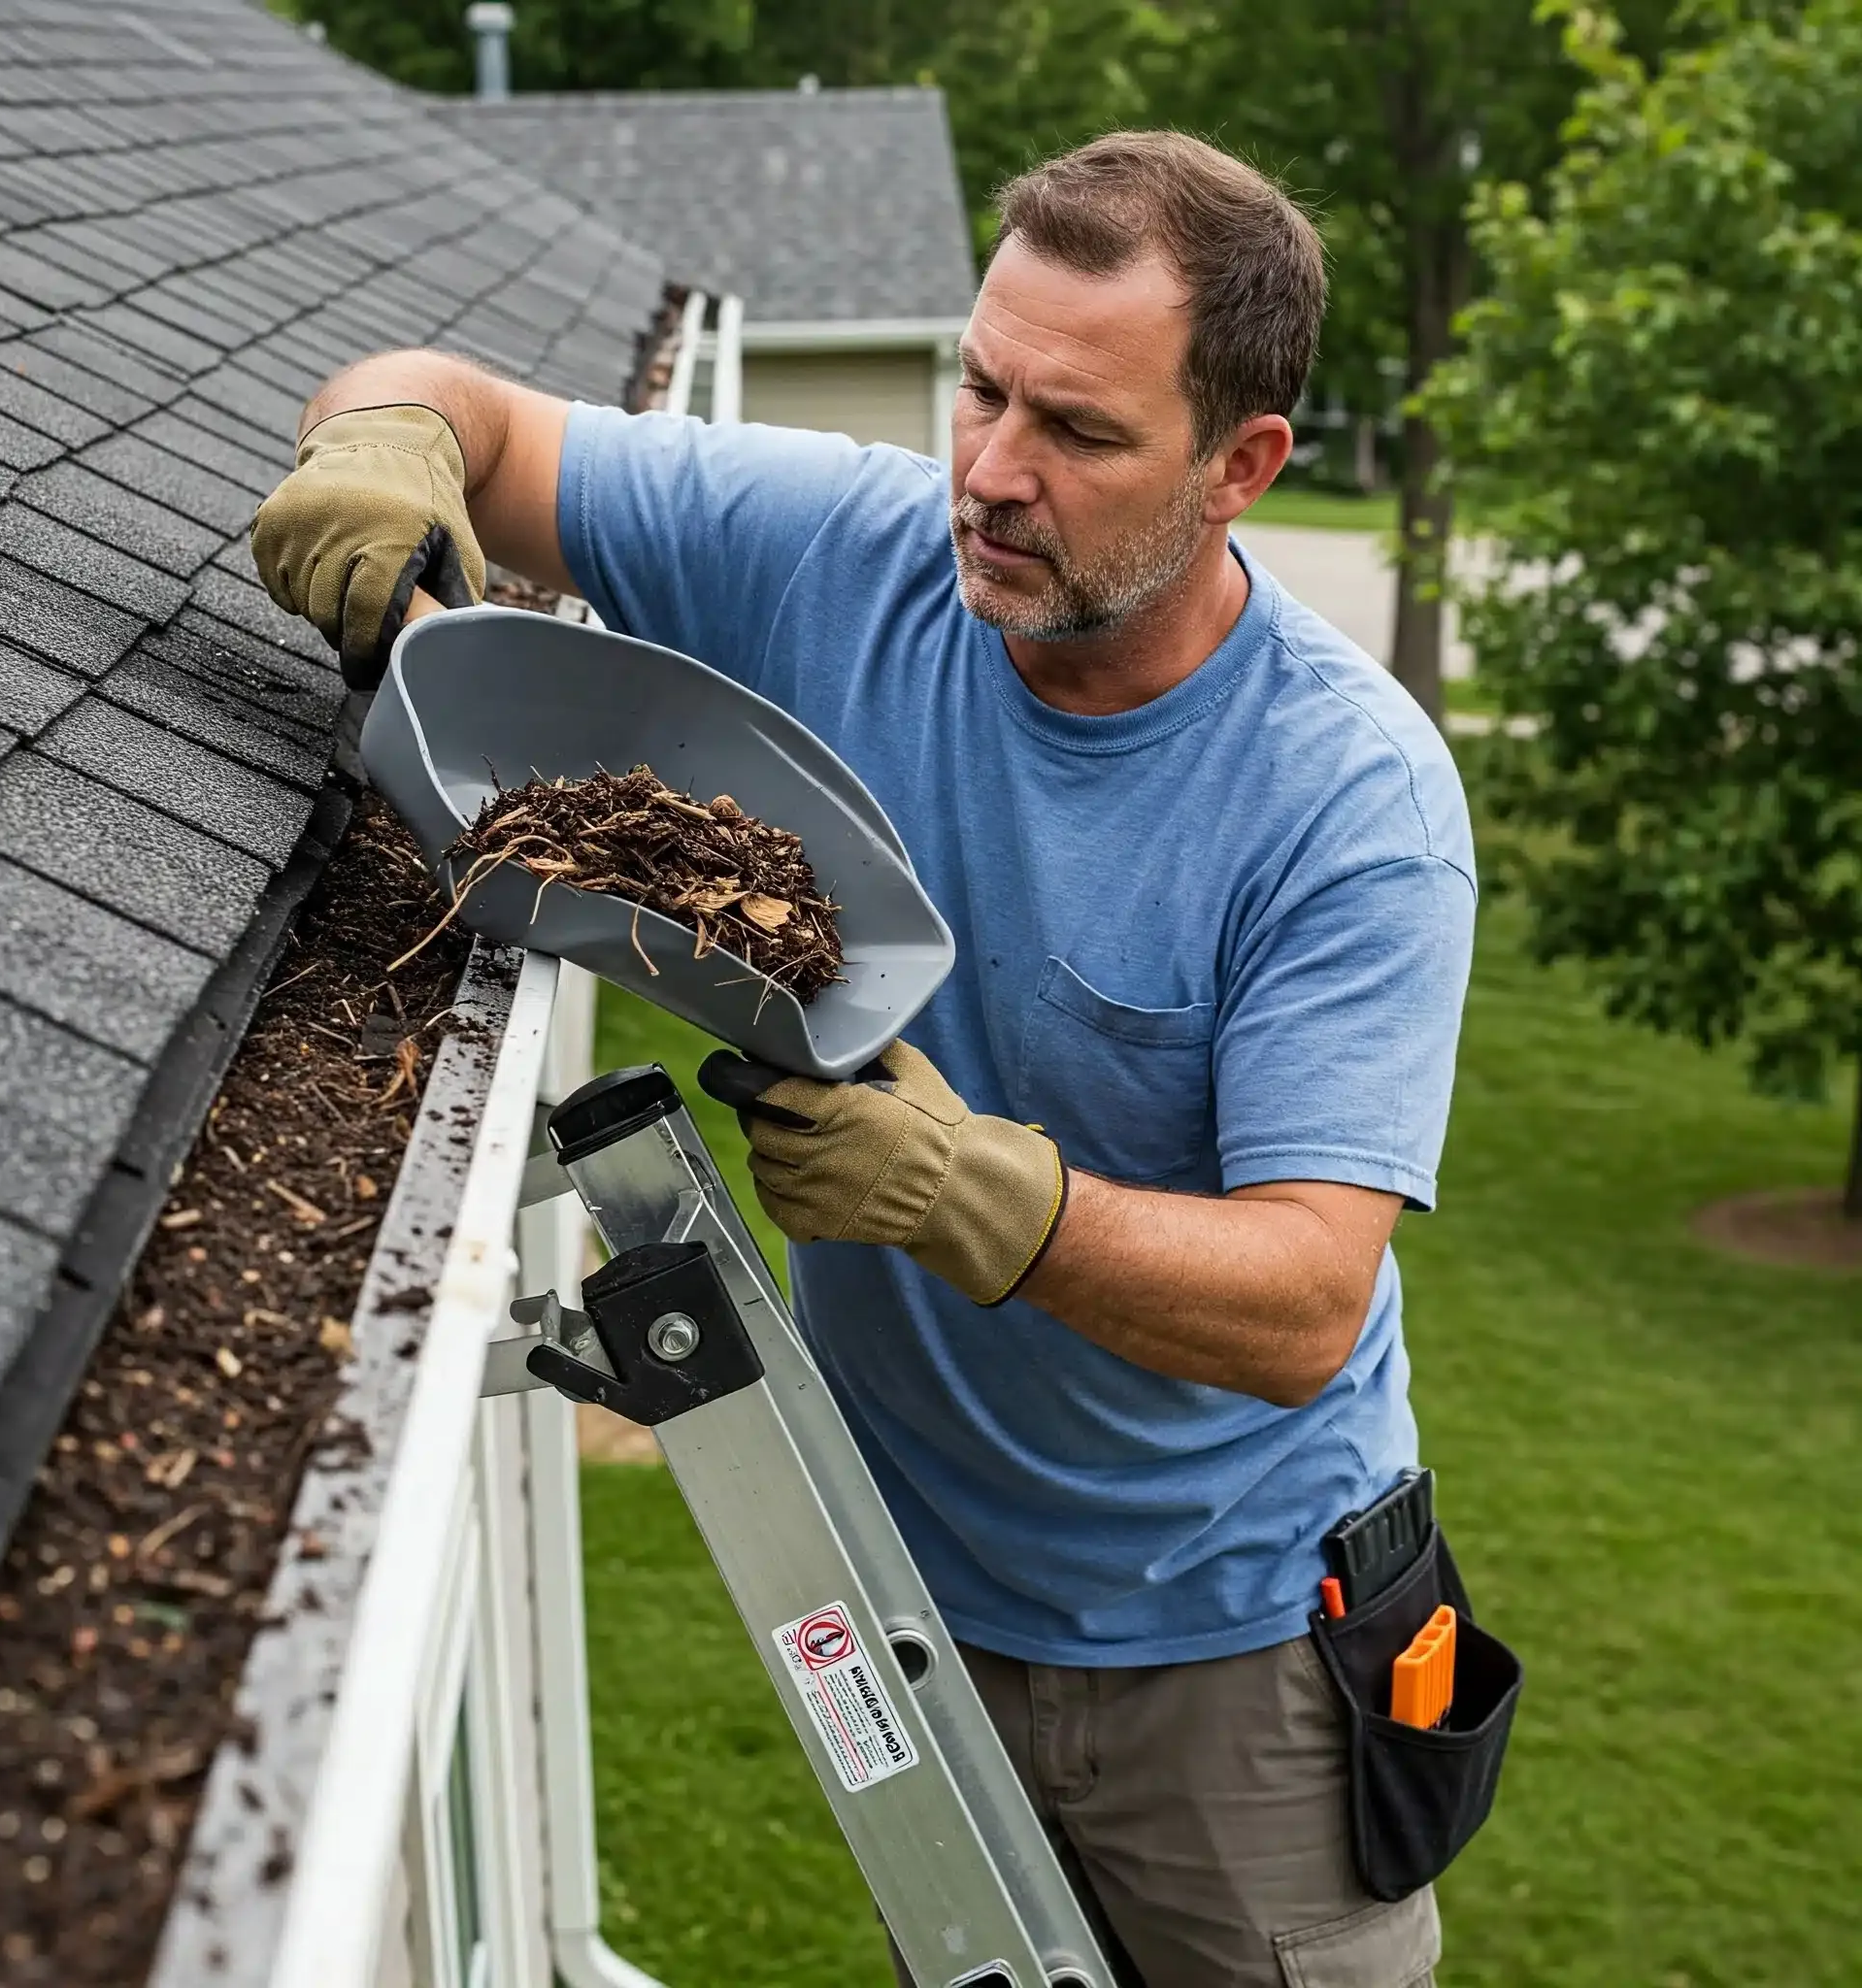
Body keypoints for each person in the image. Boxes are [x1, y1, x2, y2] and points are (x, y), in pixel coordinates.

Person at [253, 129, 1474, 1988]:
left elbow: (1309, 1299)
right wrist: (382, 445)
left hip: (1234, 1657)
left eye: (1078, 429)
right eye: (981, 389)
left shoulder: (1344, 802)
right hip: (916, 1604)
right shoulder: (848, 551)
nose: (991, 471)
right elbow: (458, 410)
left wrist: (976, 1198)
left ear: (1240, 466)